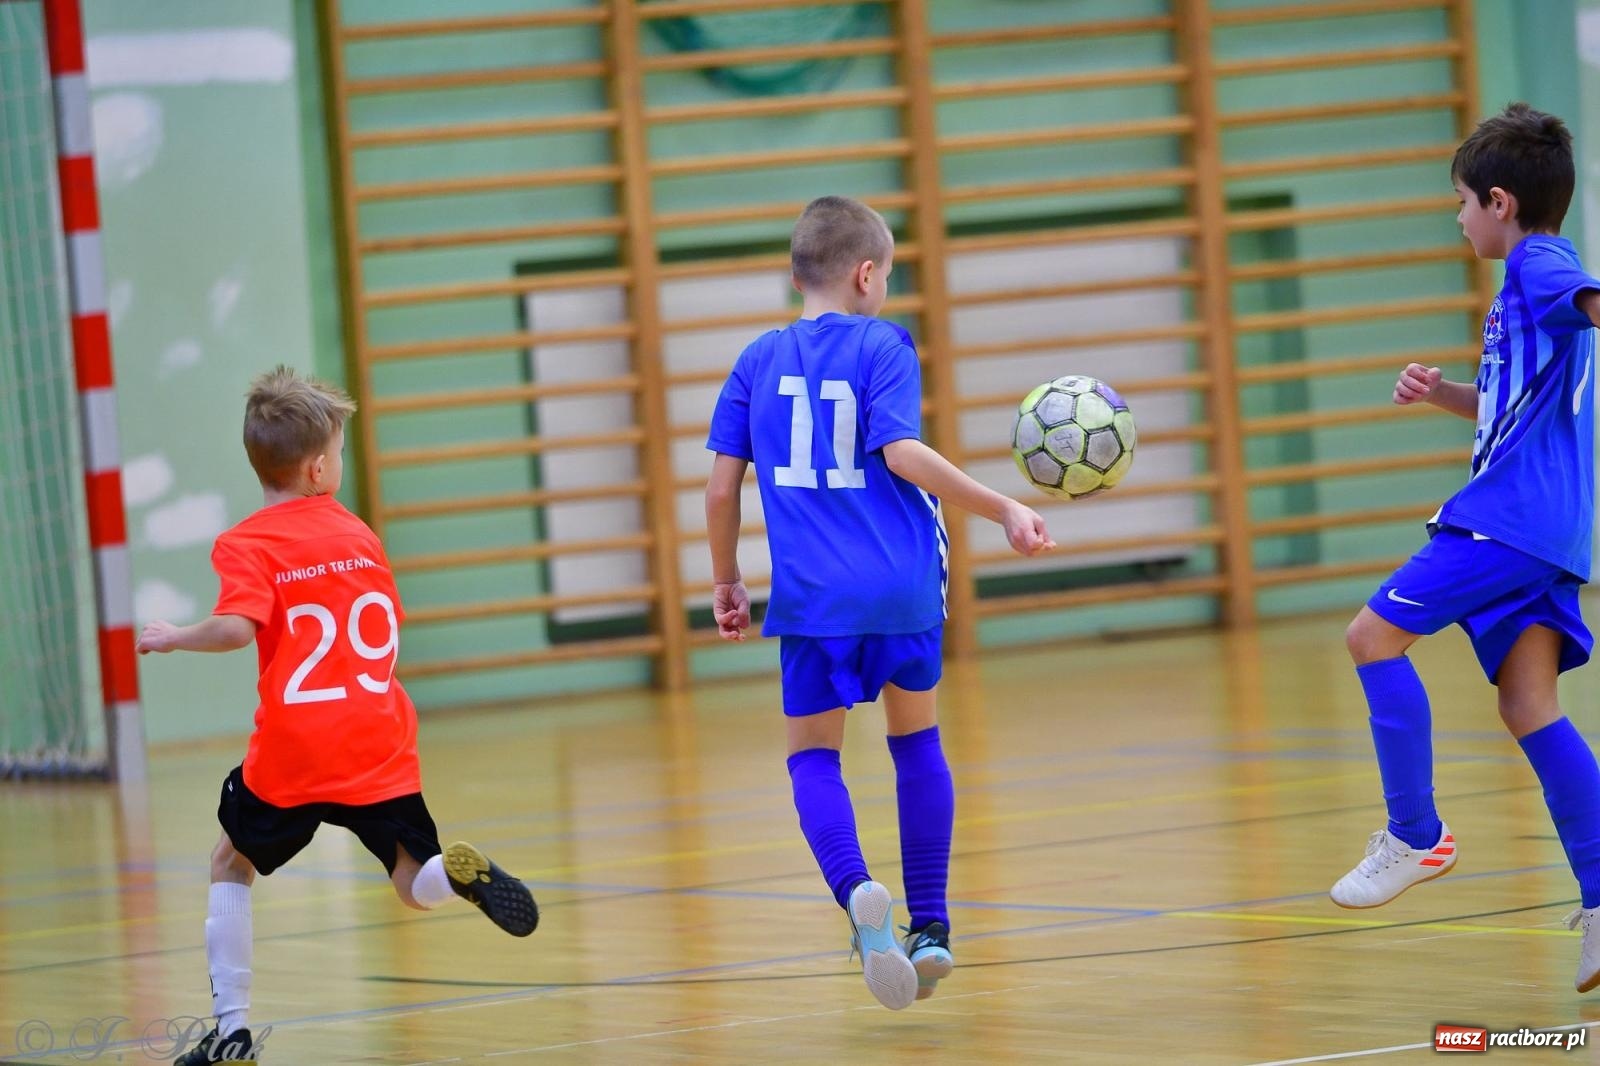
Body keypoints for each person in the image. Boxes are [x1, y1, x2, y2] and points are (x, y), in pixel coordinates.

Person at [704, 195, 1054, 1010]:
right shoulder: (883, 345)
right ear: (867, 274)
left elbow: (722, 487)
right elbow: (900, 451)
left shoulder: (757, 361)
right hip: (900, 587)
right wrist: (1002, 506)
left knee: (813, 757)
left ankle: (860, 892)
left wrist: (726, 580)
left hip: (812, 601)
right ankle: (931, 927)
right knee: (916, 743)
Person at [137, 367, 538, 1063]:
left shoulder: (248, 543)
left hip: (297, 748)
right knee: (414, 883)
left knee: (231, 862)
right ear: (320, 468)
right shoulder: (359, 536)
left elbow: (236, 629)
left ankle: (231, 1033)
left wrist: (176, 637)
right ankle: (458, 875)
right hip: (377, 738)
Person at [1329, 104, 1600, 990]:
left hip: (1506, 522)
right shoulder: (1521, 296)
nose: (1457, 219)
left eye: (1461, 203)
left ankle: (1414, 834)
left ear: (1499, 200)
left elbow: (1587, 298)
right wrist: (1445, 391)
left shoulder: (1539, 265)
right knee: (1529, 706)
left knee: (1371, 637)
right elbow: (1510, 409)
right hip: (1547, 529)